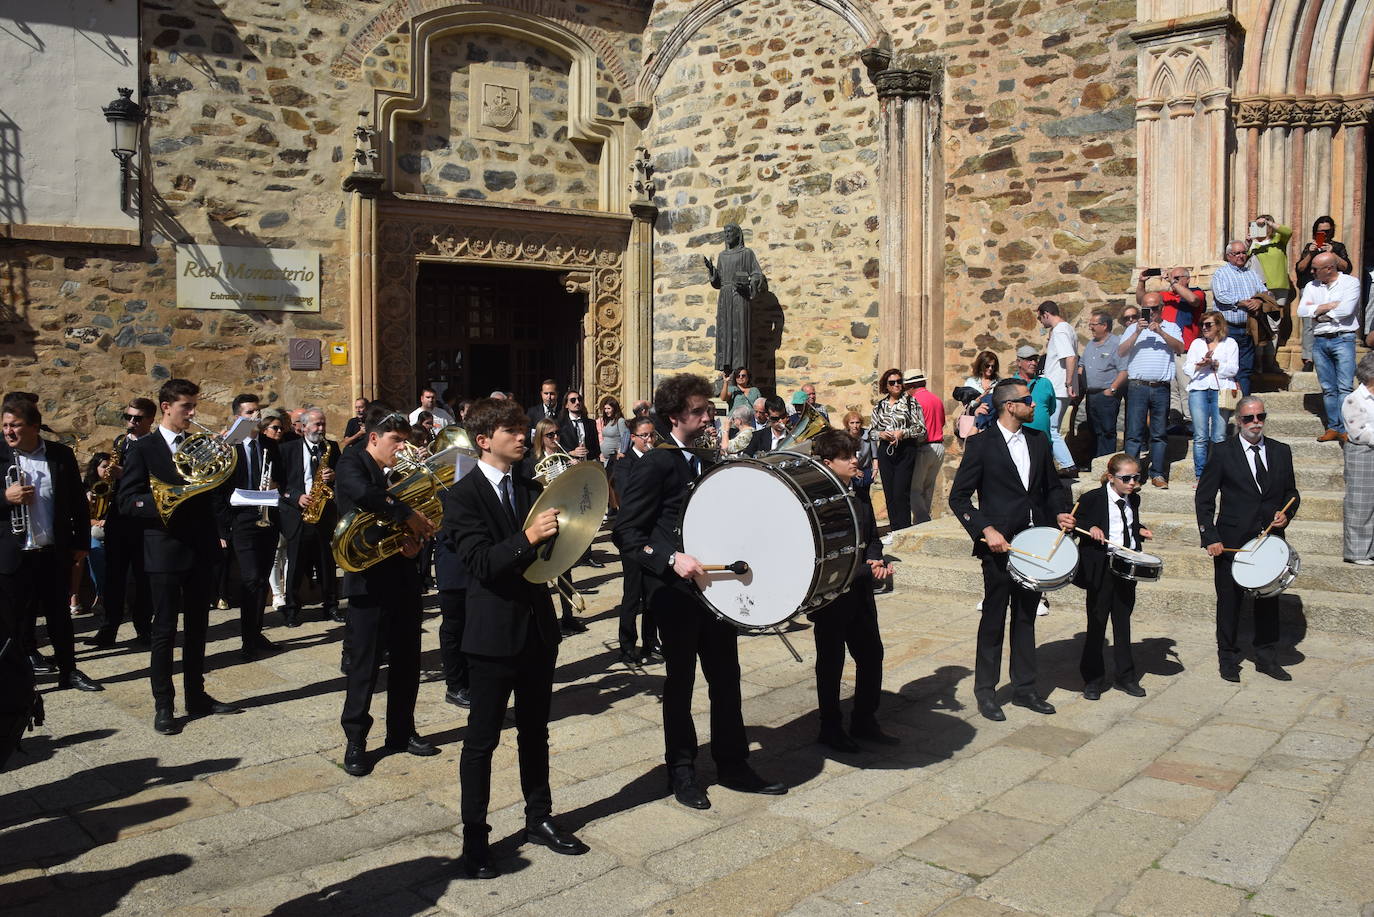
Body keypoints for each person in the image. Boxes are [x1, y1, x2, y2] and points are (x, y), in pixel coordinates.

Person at [614, 373, 785, 810]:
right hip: (674, 592)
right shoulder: (657, 463)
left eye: (709, 409)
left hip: (716, 589)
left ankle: (733, 762)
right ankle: (683, 770)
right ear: (675, 416)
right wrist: (671, 558)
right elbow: (628, 531)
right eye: (700, 410)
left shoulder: (708, 459)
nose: (709, 415)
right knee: (681, 682)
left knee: (726, 678)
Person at [445, 397, 589, 878]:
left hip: (536, 628)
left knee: (536, 732)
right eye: (513, 429)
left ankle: (539, 818)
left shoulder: (530, 486)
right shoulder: (462, 496)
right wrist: (528, 539)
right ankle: (475, 839)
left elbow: (554, 551)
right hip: (490, 635)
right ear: (484, 440)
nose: (523, 436)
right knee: (481, 741)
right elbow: (482, 564)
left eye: (524, 427)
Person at [117, 379, 241, 733]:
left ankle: (197, 695)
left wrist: (225, 454)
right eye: (186, 406)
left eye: (193, 406)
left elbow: (218, 492)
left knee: (199, 627)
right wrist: (166, 505)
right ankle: (164, 704)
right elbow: (127, 501)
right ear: (167, 406)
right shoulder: (144, 448)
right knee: (165, 630)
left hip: (200, 548)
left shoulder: (197, 445)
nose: (192, 413)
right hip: (165, 549)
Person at [948, 378, 1074, 722]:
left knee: (1026, 617)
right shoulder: (982, 445)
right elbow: (958, 498)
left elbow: (1051, 487)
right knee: (993, 617)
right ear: (1010, 406)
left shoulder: (1038, 441)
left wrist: (1060, 511)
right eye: (1028, 400)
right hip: (999, 548)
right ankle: (986, 692)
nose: (1034, 405)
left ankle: (1025, 688)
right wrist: (985, 530)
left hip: (1035, 546)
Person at [335, 407, 438, 777]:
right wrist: (406, 514)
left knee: (408, 659)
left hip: (403, 575)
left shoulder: (400, 471)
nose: (401, 448)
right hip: (368, 580)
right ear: (374, 438)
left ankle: (401, 731)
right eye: (396, 441)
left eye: (405, 441)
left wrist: (412, 541)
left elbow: (421, 516)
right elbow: (362, 495)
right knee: (364, 664)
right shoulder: (352, 463)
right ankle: (355, 740)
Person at [1195, 396, 1300, 682]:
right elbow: (1204, 499)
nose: (1255, 423)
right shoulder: (1222, 452)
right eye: (1249, 418)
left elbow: (1292, 493)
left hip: (1269, 541)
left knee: (1268, 603)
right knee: (1229, 602)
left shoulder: (1281, 451)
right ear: (1238, 421)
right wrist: (1210, 537)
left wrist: (1286, 514)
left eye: (1260, 417)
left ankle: (1267, 658)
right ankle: (1227, 659)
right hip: (1231, 541)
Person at [1, 396, 100, 693]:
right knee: (13, 623)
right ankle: (17, 683)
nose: (8, 431)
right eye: (5, 425)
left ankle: (68, 671)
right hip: (11, 554)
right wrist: (5, 498)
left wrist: (81, 541)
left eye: (15, 425)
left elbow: (76, 504)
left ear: (34, 426)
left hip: (51, 551)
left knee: (59, 617)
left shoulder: (59, 455)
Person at [807, 429, 895, 752]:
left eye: (854, 454)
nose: (855, 460)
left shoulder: (858, 494)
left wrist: (875, 560)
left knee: (871, 654)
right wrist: (863, 568)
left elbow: (872, 537)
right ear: (828, 463)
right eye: (847, 457)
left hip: (860, 593)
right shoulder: (816, 504)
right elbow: (824, 553)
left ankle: (864, 720)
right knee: (831, 662)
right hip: (831, 596)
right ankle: (829, 727)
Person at [1075, 453, 1153, 699]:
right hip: (1101, 569)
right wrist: (1091, 528)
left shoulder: (1134, 500)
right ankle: (1093, 679)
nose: (1132, 483)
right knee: (1096, 625)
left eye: (1136, 478)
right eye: (1126, 478)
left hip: (1125, 568)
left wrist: (1140, 530)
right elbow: (1076, 520)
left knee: (1123, 623)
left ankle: (1125, 676)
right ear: (1111, 477)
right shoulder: (1093, 498)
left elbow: (1128, 526)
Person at [85, 398, 156, 647]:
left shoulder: (154, 445)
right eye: (128, 417)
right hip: (118, 518)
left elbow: (157, 482)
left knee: (142, 578)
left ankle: (144, 628)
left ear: (150, 420)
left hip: (141, 520)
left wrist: (123, 473)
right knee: (114, 577)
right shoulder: (122, 442)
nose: (131, 423)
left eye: (137, 418)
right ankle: (109, 628)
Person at [220, 394, 279, 662]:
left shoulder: (268, 444)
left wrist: (276, 486)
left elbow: (283, 478)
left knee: (261, 579)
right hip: (241, 520)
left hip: (267, 517)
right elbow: (217, 491)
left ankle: (255, 633)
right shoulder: (229, 447)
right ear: (237, 418)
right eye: (249, 413)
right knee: (250, 578)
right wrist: (222, 529)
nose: (255, 417)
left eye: (257, 412)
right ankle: (247, 638)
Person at [276, 409, 339, 627]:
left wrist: (334, 474)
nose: (320, 429)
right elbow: (279, 484)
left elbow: (341, 476)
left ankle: (331, 606)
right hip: (298, 515)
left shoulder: (331, 447)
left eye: (323, 424)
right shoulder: (286, 449)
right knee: (295, 565)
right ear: (303, 427)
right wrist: (296, 497)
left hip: (322, 515)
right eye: (316, 425)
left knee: (326, 564)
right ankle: (292, 609)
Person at [1119, 296, 1185, 488]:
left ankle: (1157, 474)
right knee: (1133, 433)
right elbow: (1121, 352)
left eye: (1154, 308)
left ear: (1162, 308)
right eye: (1146, 309)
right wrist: (1137, 333)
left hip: (1160, 387)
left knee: (1159, 433)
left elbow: (1180, 348)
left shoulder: (1171, 327)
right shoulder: (1133, 328)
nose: (1151, 312)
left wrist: (1161, 332)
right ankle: (1131, 476)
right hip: (1137, 386)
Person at [1297, 252, 1361, 443]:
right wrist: (1328, 307)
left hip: (1343, 338)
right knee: (1328, 388)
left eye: (1315, 269)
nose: (1312, 271)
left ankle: (1346, 428)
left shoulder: (1350, 283)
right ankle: (1334, 427)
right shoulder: (1311, 285)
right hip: (1320, 340)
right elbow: (1301, 310)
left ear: (1329, 268)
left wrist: (1318, 313)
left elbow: (1346, 310)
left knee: (1344, 386)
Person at [613, 416, 659, 665]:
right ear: (634, 438)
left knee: (653, 591)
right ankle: (627, 646)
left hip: (653, 534)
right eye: (645, 436)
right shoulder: (623, 464)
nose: (650, 440)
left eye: (652, 435)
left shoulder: (657, 460)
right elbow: (628, 495)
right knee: (632, 593)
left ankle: (651, 642)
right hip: (631, 536)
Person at [1293, 215, 1354, 371]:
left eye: (1327, 232)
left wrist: (1332, 253)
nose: (1324, 235)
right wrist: (1310, 253)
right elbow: (1300, 268)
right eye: (1320, 232)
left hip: (1333, 288)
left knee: (1333, 320)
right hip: (1311, 288)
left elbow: (1347, 268)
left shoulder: (1338, 247)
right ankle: (1308, 359)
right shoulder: (1310, 247)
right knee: (1308, 324)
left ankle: (1333, 355)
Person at [1183, 311, 1239, 479]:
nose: (1205, 328)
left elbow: (1233, 369)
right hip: (1199, 388)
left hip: (1220, 389)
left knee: (1219, 435)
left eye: (1209, 325)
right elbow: (1187, 368)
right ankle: (1201, 475)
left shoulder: (1230, 343)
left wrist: (1215, 363)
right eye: (1202, 325)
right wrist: (1200, 365)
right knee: (1200, 436)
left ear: (1219, 326)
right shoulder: (1196, 343)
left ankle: (1218, 474)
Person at [1211, 239, 1270, 396]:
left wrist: (1258, 300)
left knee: (1245, 368)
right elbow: (1221, 295)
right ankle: (1225, 403)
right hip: (1227, 328)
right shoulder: (1221, 273)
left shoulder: (1251, 274)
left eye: (1244, 252)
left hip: (1248, 328)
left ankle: (1242, 404)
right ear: (1229, 255)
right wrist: (1241, 302)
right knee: (1225, 367)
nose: (1241, 256)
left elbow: (1265, 292)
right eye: (1237, 253)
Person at [705, 223, 766, 373]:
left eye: (730, 232)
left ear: (738, 234)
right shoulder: (722, 256)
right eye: (725, 232)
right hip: (725, 298)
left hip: (740, 297)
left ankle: (740, 371)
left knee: (739, 332)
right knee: (725, 332)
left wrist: (748, 283)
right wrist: (712, 271)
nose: (727, 235)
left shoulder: (747, 253)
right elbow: (718, 282)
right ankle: (726, 371)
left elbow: (757, 274)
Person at [869, 368, 925, 530]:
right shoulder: (880, 406)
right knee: (890, 493)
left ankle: (904, 529)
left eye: (899, 381)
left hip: (905, 449)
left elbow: (921, 429)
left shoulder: (911, 402)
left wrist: (903, 433)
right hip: (886, 450)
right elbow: (871, 432)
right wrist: (881, 434)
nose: (897, 385)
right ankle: (894, 529)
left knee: (901, 492)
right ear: (886, 385)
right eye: (892, 382)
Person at [1036, 301, 1080, 473]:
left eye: (1040, 317)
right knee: (1052, 428)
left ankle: (1068, 465)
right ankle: (1063, 464)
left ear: (1046, 314)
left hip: (1058, 387)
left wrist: (1068, 382)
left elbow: (1070, 357)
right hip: (1060, 387)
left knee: (1051, 429)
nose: (1040, 321)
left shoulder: (1060, 330)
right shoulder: (1066, 328)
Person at [1340, 352, 1374, 565]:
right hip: (1362, 453)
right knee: (1360, 504)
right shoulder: (1354, 399)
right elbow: (1358, 433)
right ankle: (1358, 552)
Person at [1247, 215, 1293, 370]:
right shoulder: (1253, 245)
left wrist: (1269, 223)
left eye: (1263, 224)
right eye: (1257, 224)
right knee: (1259, 324)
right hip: (1259, 289)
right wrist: (1249, 244)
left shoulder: (1278, 241)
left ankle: (1270, 360)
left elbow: (1288, 231)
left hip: (1278, 287)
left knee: (1274, 325)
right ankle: (1258, 362)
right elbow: (1245, 263)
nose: (1260, 227)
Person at [1081, 310, 1127, 458]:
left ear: (1104, 325)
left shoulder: (1116, 344)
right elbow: (1081, 366)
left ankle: (1107, 463)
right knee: (1094, 430)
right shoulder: (1090, 344)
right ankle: (1096, 462)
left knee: (1107, 431)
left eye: (1093, 325)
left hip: (1106, 395)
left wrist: (1112, 389)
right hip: (1091, 394)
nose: (1090, 328)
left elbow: (1124, 370)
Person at [904, 369, 946, 525]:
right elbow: (941, 422)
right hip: (939, 446)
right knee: (928, 487)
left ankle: (922, 520)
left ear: (912, 385)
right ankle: (922, 520)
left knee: (914, 488)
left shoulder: (914, 401)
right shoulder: (936, 399)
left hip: (924, 446)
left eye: (907, 386)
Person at [81, 453, 113, 617]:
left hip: (114, 530)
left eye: (109, 467)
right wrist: (97, 522)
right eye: (103, 467)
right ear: (96, 468)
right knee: (95, 551)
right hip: (95, 529)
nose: (107, 470)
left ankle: (104, 597)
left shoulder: (117, 485)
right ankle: (101, 595)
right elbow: (82, 518)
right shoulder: (87, 487)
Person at [1010, 345, 1056, 440]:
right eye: (1029, 360)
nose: (1034, 363)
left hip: (1044, 441)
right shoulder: (1010, 384)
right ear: (1019, 362)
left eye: (1035, 360)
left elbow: (1051, 409)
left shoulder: (1045, 383)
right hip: (1018, 441)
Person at [557, 390, 599, 464]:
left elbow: (597, 449)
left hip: (587, 465)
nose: (577, 402)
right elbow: (556, 448)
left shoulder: (591, 423)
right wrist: (571, 453)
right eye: (573, 400)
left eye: (579, 399)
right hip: (569, 466)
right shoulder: (559, 424)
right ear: (566, 405)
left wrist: (588, 452)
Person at [596, 395, 628, 471]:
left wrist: (622, 452)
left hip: (615, 459)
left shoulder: (620, 421)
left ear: (614, 408)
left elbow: (625, 437)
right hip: (605, 459)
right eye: (605, 409)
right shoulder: (608, 421)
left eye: (608, 408)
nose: (606, 411)